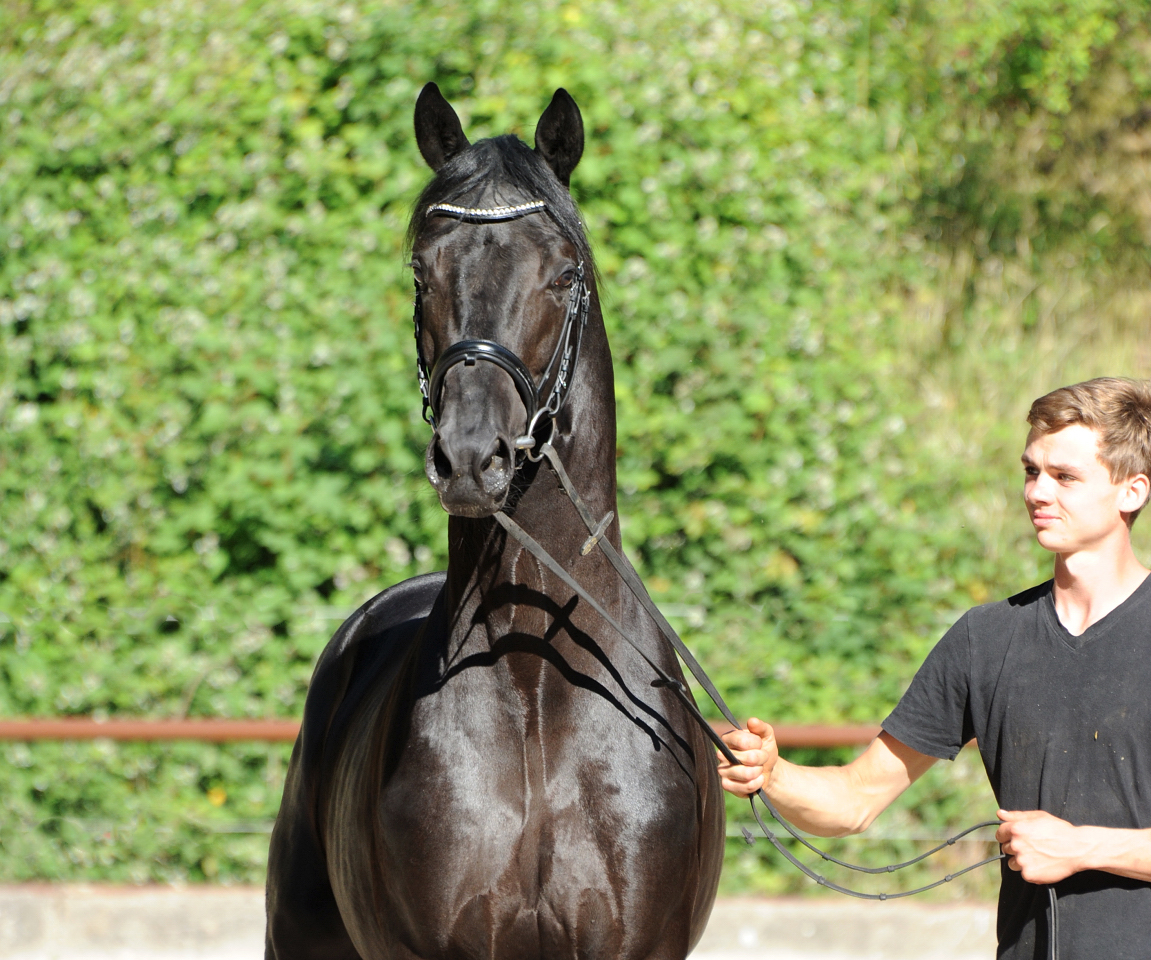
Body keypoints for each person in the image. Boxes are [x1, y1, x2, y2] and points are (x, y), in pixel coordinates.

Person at [718, 377, 1151, 959]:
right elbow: (854, 800)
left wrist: (1084, 849)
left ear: (1132, 492)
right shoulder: (986, 638)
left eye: (1065, 477)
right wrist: (772, 773)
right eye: (1031, 472)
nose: (1037, 493)